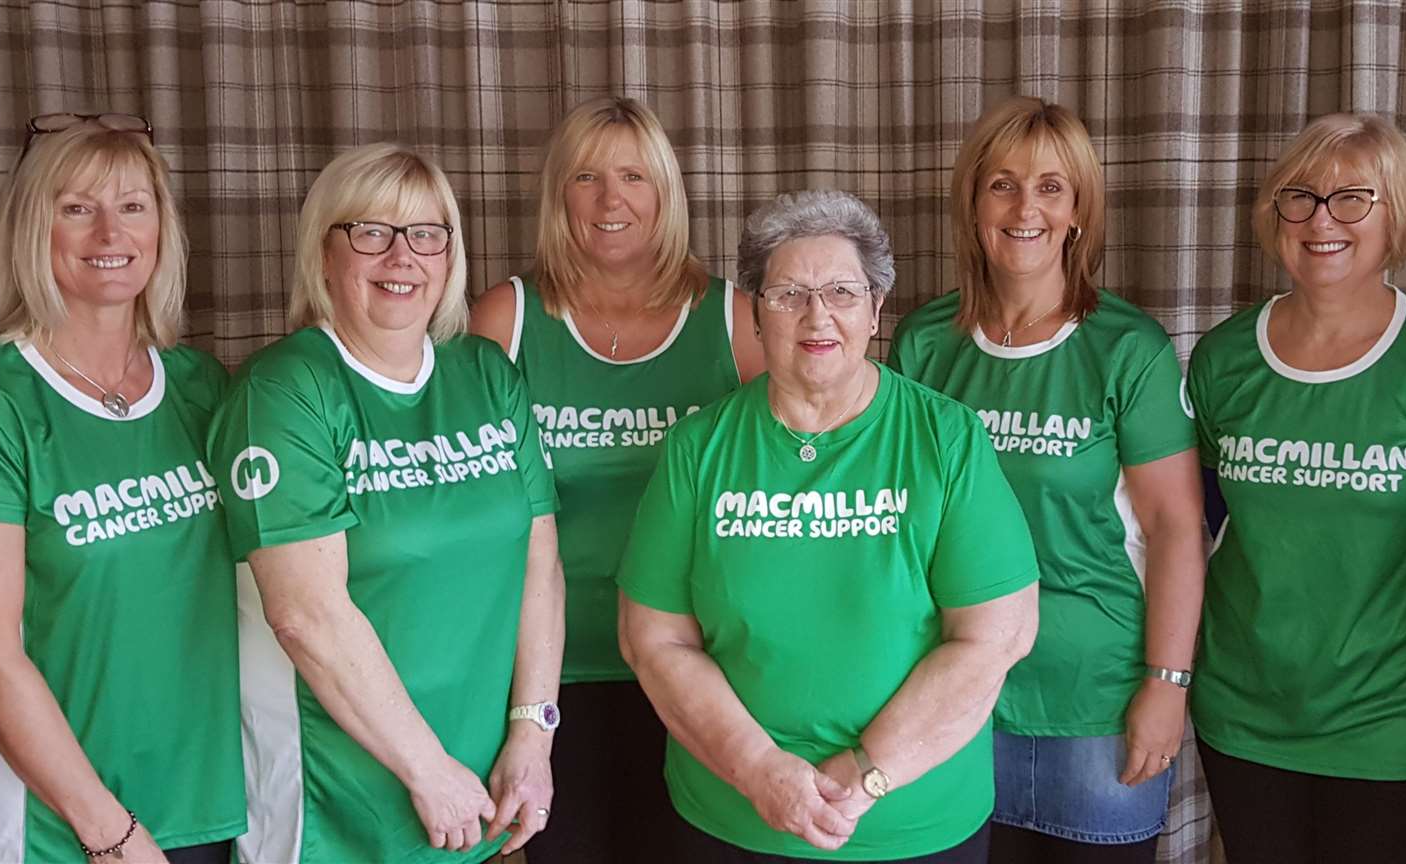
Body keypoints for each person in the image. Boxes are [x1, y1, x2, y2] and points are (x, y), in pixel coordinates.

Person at [618, 189, 1041, 862]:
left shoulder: (946, 439)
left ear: (875, 309)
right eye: (788, 294)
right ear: (756, 314)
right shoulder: (698, 449)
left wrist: (867, 773)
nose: (817, 314)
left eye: (842, 291)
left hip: (909, 826)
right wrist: (758, 770)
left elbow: (997, 636)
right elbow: (655, 639)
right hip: (731, 819)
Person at [210, 143, 563, 863]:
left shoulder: (486, 374)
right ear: (325, 251)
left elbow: (541, 563)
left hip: (486, 793)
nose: (403, 257)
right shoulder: (283, 392)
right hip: (338, 805)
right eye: (371, 232)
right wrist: (428, 771)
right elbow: (307, 616)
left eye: (427, 234)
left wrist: (532, 733)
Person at [1185, 113, 1406, 862]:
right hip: (1245, 719)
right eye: (1298, 197)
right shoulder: (1223, 357)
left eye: (1352, 199)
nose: (1321, 219)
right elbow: (1194, 535)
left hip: (1402, 728)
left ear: (1396, 212)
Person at [0, 114, 244, 863]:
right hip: (63, 827)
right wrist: (109, 832)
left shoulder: (204, 389)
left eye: (133, 206)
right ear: (35, 229)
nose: (110, 233)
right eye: (77, 208)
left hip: (208, 802)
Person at [888, 97, 1204, 864]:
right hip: (955, 695)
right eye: (1001, 184)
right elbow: (891, 518)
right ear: (973, 204)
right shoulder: (924, 343)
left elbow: (1175, 529)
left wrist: (1167, 684)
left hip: (1096, 703)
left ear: (1078, 213)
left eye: (1051, 187)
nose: (1025, 207)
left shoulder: (1128, 349)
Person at [468, 95, 763, 861]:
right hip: (552, 681)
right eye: (586, 178)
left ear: (665, 194)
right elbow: (466, 507)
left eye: (633, 176)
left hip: (706, 671)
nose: (610, 200)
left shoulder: (736, 318)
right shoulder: (507, 318)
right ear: (558, 195)